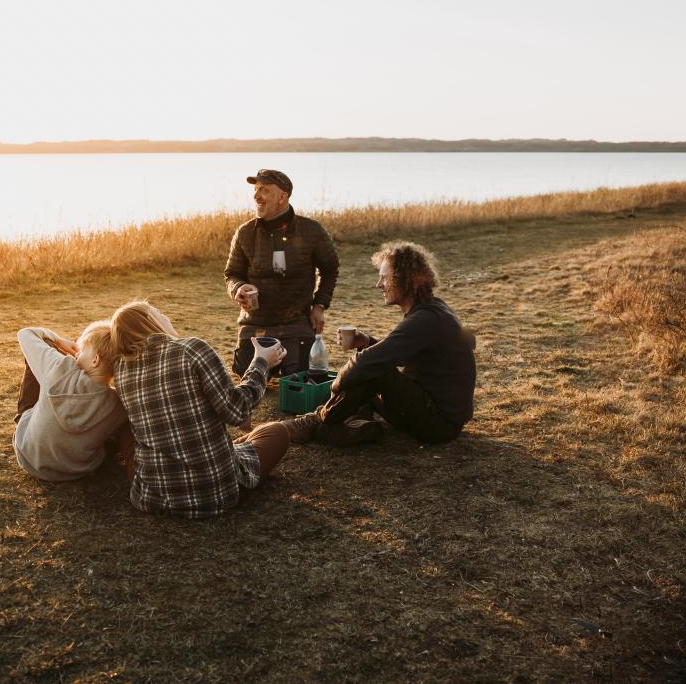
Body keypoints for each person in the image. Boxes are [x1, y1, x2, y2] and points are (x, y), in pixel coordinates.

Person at [109, 300, 295, 518]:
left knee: (126, 425)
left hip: (153, 498)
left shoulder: (120, 369)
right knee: (277, 431)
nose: (165, 316)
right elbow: (237, 411)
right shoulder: (192, 349)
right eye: (158, 312)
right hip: (214, 492)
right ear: (150, 321)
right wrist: (261, 362)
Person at [283, 241, 477, 447]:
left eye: (384, 277)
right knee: (371, 368)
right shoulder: (430, 308)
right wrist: (367, 342)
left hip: (439, 423)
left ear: (404, 279)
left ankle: (318, 420)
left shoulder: (426, 319)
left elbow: (366, 363)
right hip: (436, 412)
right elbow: (402, 356)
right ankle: (359, 424)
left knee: (371, 369)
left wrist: (336, 385)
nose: (379, 284)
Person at [224, 168, 340, 376]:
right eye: (256, 189)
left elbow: (330, 269)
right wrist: (238, 288)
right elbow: (231, 274)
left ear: (282, 197)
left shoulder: (312, 231)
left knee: (299, 375)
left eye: (264, 190)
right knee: (247, 373)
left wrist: (319, 305)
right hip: (255, 322)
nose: (256, 195)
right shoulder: (245, 233)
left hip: (296, 323)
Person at [12, 322, 130, 482]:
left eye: (82, 350)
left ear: (95, 360)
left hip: (29, 457)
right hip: (76, 470)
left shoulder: (62, 368)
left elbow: (26, 333)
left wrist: (59, 341)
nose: (76, 354)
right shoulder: (119, 403)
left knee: (44, 345)